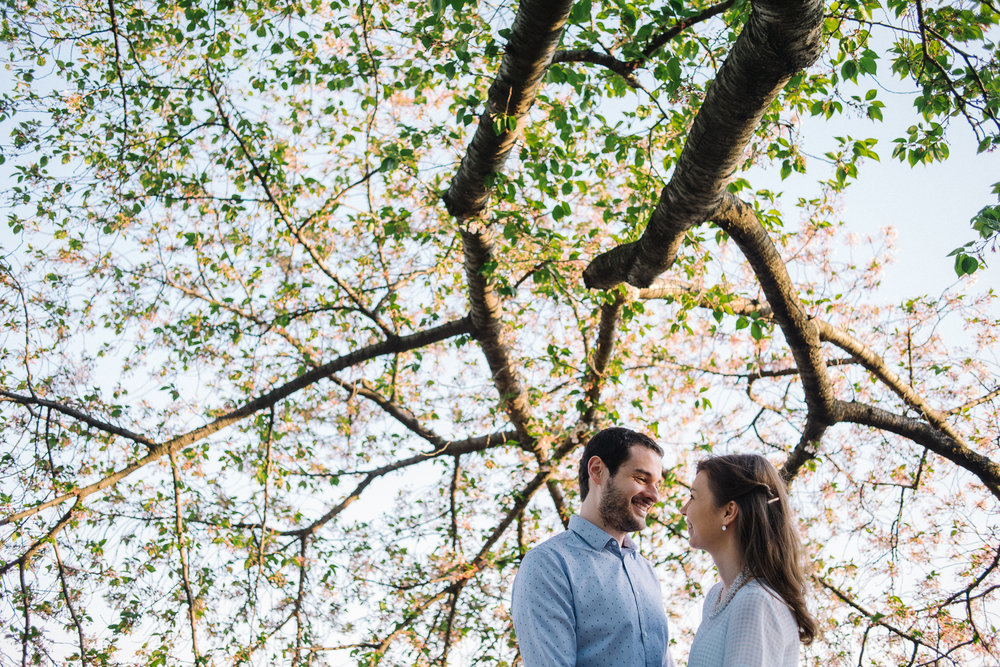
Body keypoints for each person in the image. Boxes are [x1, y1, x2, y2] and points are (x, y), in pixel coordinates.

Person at [511, 427, 675, 667]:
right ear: (597, 471)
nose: (654, 495)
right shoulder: (548, 565)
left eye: (657, 484)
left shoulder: (646, 571)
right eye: (641, 479)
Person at [681, 454, 817, 666]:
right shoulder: (716, 596)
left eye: (693, 497)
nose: (684, 509)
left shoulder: (755, 601)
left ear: (728, 512)